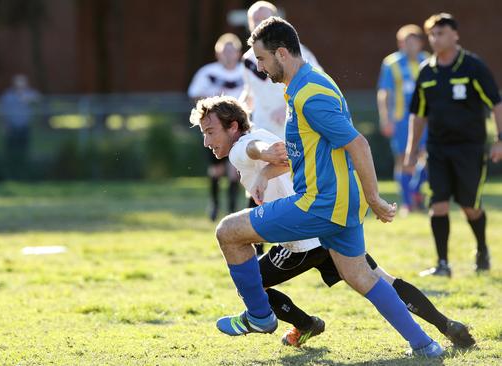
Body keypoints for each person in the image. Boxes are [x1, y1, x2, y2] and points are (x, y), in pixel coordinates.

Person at [209, 16, 443, 357]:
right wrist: (263, 175)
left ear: (282, 53)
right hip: (339, 203)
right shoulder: (306, 85)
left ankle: (260, 316)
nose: (258, 67)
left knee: (228, 230)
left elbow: (358, 144)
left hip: (320, 204)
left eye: (261, 59)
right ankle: (426, 345)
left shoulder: (309, 94)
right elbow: (305, 150)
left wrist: (374, 198)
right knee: (361, 277)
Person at [189, 95, 475, 348]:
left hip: (301, 240)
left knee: (251, 283)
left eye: (210, 132)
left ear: (233, 126)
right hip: (326, 229)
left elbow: (253, 148)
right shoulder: (262, 133)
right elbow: (278, 156)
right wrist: (265, 170)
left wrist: (263, 155)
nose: (206, 141)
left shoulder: (242, 147)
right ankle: (444, 324)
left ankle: (305, 325)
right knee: (380, 280)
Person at [404, 13, 502, 277]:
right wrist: (411, 151)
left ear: (455, 35)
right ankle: (442, 264)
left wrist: (499, 140)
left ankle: (482, 249)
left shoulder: (472, 66)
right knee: (438, 204)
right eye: (433, 34)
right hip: (437, 149)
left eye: (442, 33)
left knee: (470, 207)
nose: (436, 39)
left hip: (470, 148)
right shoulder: (427, 71)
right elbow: (418, 113)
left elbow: (496, 102)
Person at [239, 1, 323, 254]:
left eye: (263, 19)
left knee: (293, 187)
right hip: (263, 132)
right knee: (257, 183)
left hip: (291, 133)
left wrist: (288, 104)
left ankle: (307, 247)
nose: (258, 25)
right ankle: (256, 250)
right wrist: (240, 110)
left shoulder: (299, 52)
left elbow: (316, 81)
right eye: (254, 21)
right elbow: (251, 91)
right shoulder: (248, 59)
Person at [188, 33, 245, 220]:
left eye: (232, 50)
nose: (228, 55)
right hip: (216, 127)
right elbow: (195, 94)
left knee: (235, 169)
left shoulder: (246, 71)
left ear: (238, 53)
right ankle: (214, 204)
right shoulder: (208, 72)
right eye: (224, 51)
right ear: (218, 53)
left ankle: (232, 209)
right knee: (216, 169)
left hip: (236, 127)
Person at [377, 25, 430, 214]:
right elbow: (384, 92)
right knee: (403, 160)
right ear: (400, 44)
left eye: (414, 43)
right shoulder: (391, 63)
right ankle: (408, 203)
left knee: (428, 157)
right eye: (406, 43)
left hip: (425, 119)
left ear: (420, 43)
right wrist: (386, 119)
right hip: (401, 120)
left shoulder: (428, 61)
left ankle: (416, 192)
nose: (410, 47)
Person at [1, 74, 41, 180]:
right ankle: (11, 175)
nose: (20, 86)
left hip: (24, 128)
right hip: (12, 129)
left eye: (22, 83)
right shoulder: (8, 95)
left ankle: (24, 175)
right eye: (18, 83)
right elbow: (4, 112)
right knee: (11, 153)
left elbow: (38, 99)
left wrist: (28, 98)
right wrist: (5, 126)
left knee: (24, 151)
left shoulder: (29, 94)